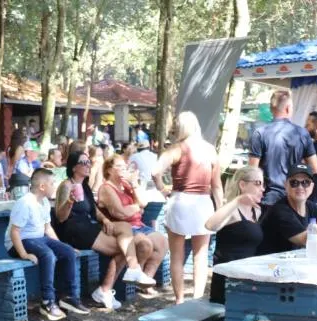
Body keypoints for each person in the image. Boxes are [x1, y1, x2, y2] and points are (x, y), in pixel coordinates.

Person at [53, 148, 144, 310]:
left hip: (89, 226)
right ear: (74, 167)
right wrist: (70, 202)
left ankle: (127, 273)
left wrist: (106, 219)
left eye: (89, 162)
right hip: (74, 230)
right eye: (84, 162)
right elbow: (60, 217)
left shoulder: (85, 187)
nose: (88, 165)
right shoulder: (65, 186)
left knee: (124, 228)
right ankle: (108, 287)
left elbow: (94, 210)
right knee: (125, 247)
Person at [154, 111, 224, 302]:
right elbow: (217, 185)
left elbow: (155, 171)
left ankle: (179, 300)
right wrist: (220, 210)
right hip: (202, 204)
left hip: (180, 202)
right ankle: (198, 298)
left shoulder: (176, 149)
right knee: (201, 255)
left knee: (177, 255)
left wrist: (162, 188)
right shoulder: (210, 150)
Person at [6, 168, 90, 320]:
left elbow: (47, 228)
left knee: (69, 252)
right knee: (48, 255)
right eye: (52, 183)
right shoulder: (25, 203)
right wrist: (24, 254)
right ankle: (47, 301)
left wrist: (62, 247)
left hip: (38, 240)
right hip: (18, 243)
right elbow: (14, 232)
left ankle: (68, 297)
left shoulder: (44, 202)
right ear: (42, 186)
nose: (55, 186)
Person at [96, 154, 164, 295]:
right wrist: (137, 207)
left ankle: (144, 281)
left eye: (124, 166)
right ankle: (135, 275)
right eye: (119, 166)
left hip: (138, 224)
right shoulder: (107, 188)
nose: (123, 169)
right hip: (122, 227)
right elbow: (120, 213)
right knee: (145, 245)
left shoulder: (126, 184)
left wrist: (134, 184)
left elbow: (144, 202)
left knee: (162, 242)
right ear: (109, 170)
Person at [256, 162, 317, 255]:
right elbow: (308, 241)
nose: (300, 187)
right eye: (294, 183)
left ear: (312, 186)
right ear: (286, 185)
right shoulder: (280, 210)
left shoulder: (312, 207)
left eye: (305, 182)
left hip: (294, 262)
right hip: (271, 265)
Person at [204, 166, 265, 304]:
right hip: (228, 280)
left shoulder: (257, 212)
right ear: (242, 185)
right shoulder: (232, 209)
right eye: (258, 183)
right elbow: (210, 225)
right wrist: (237, 200)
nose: (262, 189)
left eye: (263, 184)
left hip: (248, 278)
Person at [248, 90, 317, 208]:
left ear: (271, 109)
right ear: (288, 108)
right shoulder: (302, 134)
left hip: (267, 197)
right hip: (294, 196)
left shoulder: (259, 133)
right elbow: (315, 168)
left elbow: (252, 170)